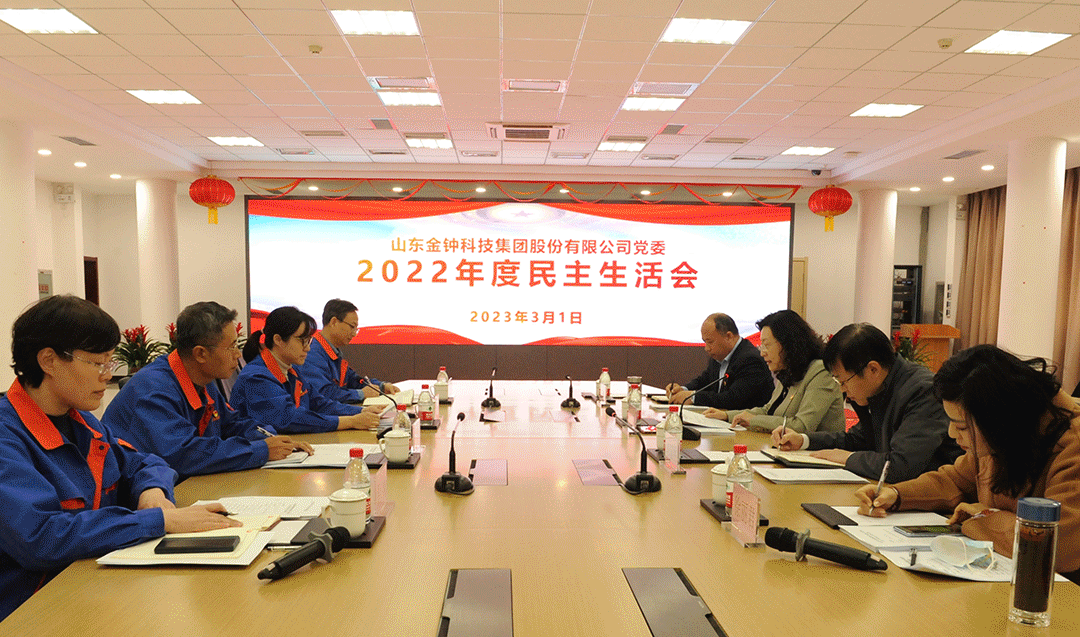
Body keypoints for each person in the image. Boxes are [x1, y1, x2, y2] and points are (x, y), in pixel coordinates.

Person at [0, 295, 240, 621]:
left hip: (94, 589)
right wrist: (160, 521)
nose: (107, 375)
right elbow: (41, 538)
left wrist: (151, 491)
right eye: (98, 363)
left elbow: (144, 462)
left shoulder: (83, 423)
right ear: (49, 361)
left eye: (110, 362)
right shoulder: (8, 438)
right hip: (32, 612)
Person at [855, 345, 1080, 580]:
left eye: (962, 426)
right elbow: (955, 480)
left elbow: (1056, 544)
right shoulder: (1003, 438)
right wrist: (896, 495)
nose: (952, 433)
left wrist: (981, 517)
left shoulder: (1072, 445)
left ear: (1000, 419)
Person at [103, 302, 313, 481]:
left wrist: (272, 438)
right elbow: (184, 455)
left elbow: (232, 424)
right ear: (201, 354)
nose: (238, 354)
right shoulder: (153, 390)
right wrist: (262, 450)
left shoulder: (203, 379)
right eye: (231, 347)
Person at [772, 323, 962, 482]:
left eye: (844, 381)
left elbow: (901, 466)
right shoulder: (880, 387)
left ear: (873, 369)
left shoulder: (923, 391)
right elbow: (858, 439)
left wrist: (848, 458)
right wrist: (803, 440)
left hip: (934, 502)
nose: (842, 389)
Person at [230, 306, 380, 433]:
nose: (308, 348)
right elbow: (289, 418)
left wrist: (361, 411)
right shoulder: (256, 377)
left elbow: (318, 403)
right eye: (303, 341)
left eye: (309, 341)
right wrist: (350, 421)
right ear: (278, 340)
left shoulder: (292, 370)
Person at [704, 310, 844, 435]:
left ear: (788, 344)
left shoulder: (821, 371)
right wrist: (727, 416)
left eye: (767, 345)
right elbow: (768, 410)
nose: (762, 352)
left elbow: (801, 426)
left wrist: (754, 420)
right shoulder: (788, 370)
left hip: (819, 454)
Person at [300, 299, 398, 406]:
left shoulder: (333, 352)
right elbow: (323, 394)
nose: (354, 334)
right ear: (334, 322)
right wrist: (360, 394)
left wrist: (382, 386)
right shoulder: (312, 353)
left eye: (356, 328)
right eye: (352, 326)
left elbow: (354, 380)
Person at [665, 313, 774, 410]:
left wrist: (693, 397)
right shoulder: (719, 356)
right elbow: (704, 380)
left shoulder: (750, 359)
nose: (706, 348)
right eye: (705, 342)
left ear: (729, 336)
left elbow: (733, 399)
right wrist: (683, 389)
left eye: (710, 342)